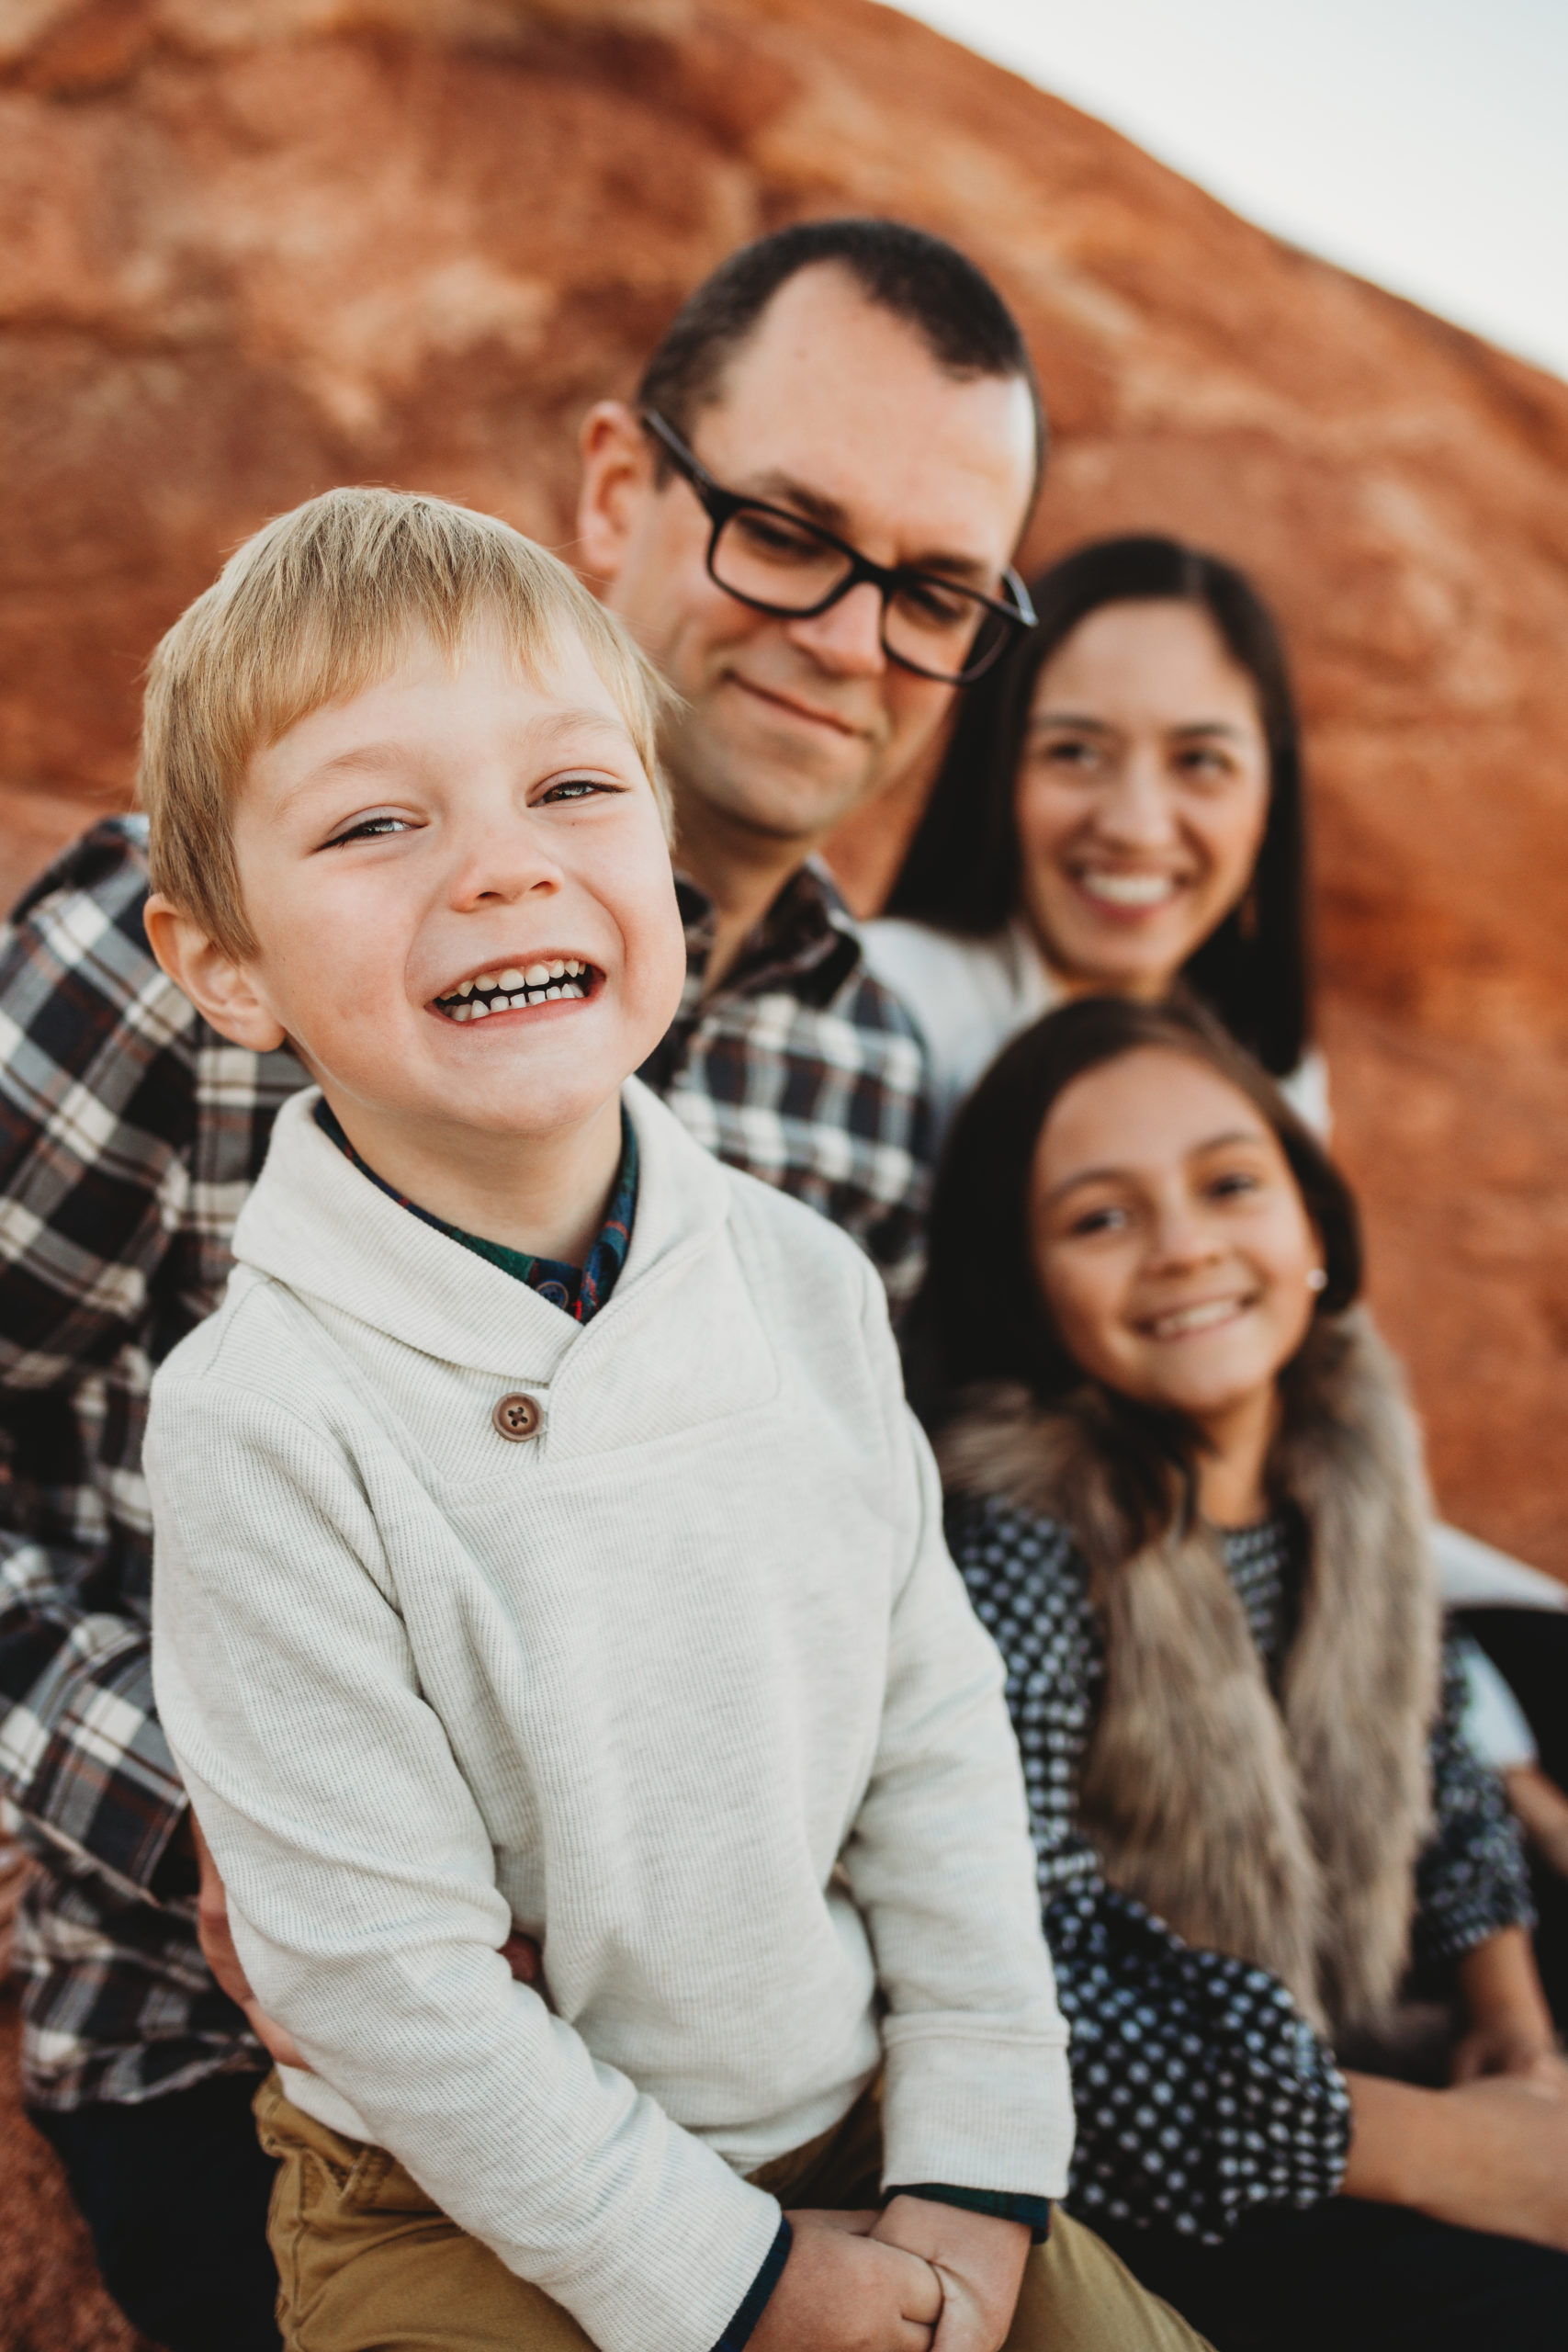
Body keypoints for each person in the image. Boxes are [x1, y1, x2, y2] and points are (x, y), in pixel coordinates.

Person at [0, 216, 1043, 2346]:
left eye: (928, 589)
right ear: (616, 491)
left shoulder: (857, 1080)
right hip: (263, 2055)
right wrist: (223, 1798)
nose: (846, 634)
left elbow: (862, 1628)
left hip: (750, 2036)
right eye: (782, 531)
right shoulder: (173, 949)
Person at [141, 482, 1213, 2352]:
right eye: (377, 821)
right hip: (459, 2192)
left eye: (572, 790)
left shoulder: (794, 1278)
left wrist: (969, 2160)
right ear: (224, 964)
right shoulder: (262, 1418)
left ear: (662, 865)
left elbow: (930, 1732)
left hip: (854, 2105)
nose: (500, 868)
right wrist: (733, 2281)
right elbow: (389, 1986)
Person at [863, 528, 1568, 1844]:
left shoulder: (1264, 1069)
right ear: (997, 761)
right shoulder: (895, 1006)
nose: (1137, 821)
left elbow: (1310, 1427)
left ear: (1268, 796)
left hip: (1255, 1571)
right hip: (1032, 1643)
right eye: (1074, 750)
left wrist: (1510, 1775)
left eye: (1201, 762)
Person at [910, 990, 1568, 2351]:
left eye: (1230, 1186)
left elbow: (1427, 1739)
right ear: (1023, 1288)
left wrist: (1504, 2008)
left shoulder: (1345, 1447)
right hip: (1183, 2167)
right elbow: (1018, 1972)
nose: (1186, 1249)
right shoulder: (1025, 1540)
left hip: (1376, 2034)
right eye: (1101, 1218)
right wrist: (1451, 2152)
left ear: (1316, 1225)